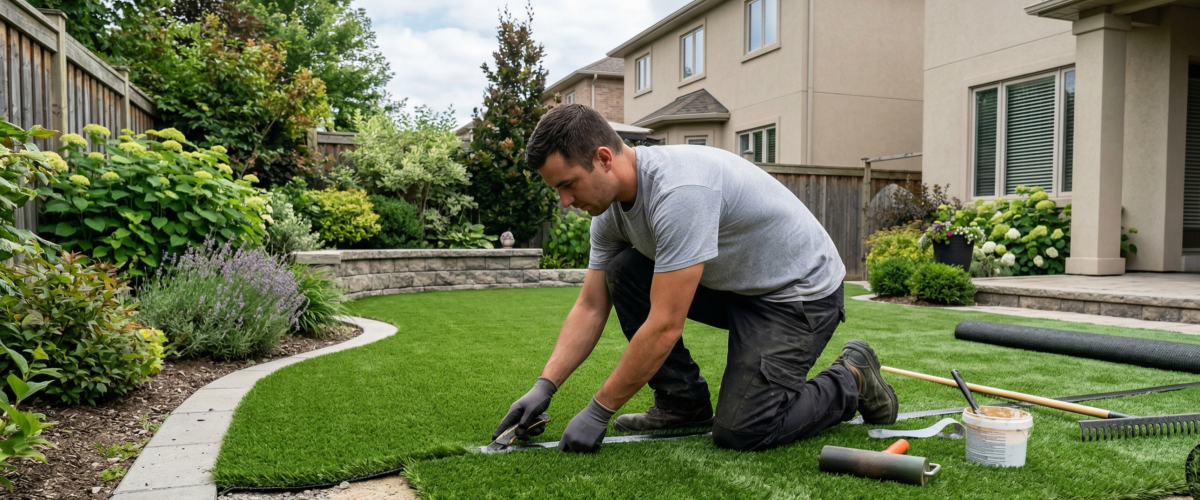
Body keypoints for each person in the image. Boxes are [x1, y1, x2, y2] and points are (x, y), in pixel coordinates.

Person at [493, 104, 898, 453]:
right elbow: (591, 305)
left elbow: (665, 324)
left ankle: (853, 377)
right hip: (737, 284)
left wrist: (600, 409)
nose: (565, 201)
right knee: (624, 271)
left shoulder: (679, 191)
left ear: (603, 158)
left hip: (797, 296)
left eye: (567, 185)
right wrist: (545, 386)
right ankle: (682, 403)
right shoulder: (610, 214)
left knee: (744, 430)